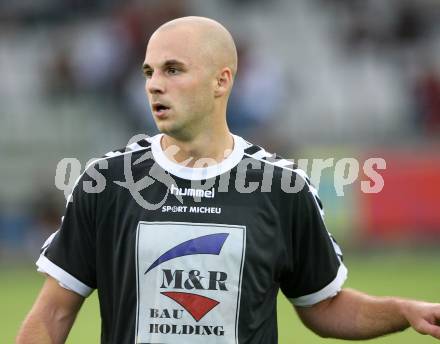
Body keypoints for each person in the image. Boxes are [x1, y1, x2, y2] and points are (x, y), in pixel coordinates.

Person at [17, 16, 440, 344]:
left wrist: (403, 310)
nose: (154, 86)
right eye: (148, 72)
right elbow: (52, 314)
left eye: (173, 70)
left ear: (222, 81)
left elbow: (324, 306)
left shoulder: (282, 188)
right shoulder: (107, 183)